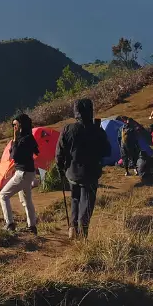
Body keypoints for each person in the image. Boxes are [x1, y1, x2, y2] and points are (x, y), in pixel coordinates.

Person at [56, 98, 110, 239]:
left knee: (75, 199)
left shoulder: (68, 129)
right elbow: (107, 151)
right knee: (86, 202)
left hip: (72, 173)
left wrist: (61, 166)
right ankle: (82, 232)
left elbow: (60, 152)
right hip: (91, 173)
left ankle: (72, 228)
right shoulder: (97, 131)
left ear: (76, 111)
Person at [0, 114, 40, 234]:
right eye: (13, 125)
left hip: (22, 173)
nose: (14, 127)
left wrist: (15, 139)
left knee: (3, 195)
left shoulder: (22, 139)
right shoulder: (29, 137)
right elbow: (35, 151)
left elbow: (14, 156)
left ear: (21, 125)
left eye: (16, 125)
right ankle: (32, 227)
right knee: (27, 200)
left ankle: (9, 223)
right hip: (29, 172)